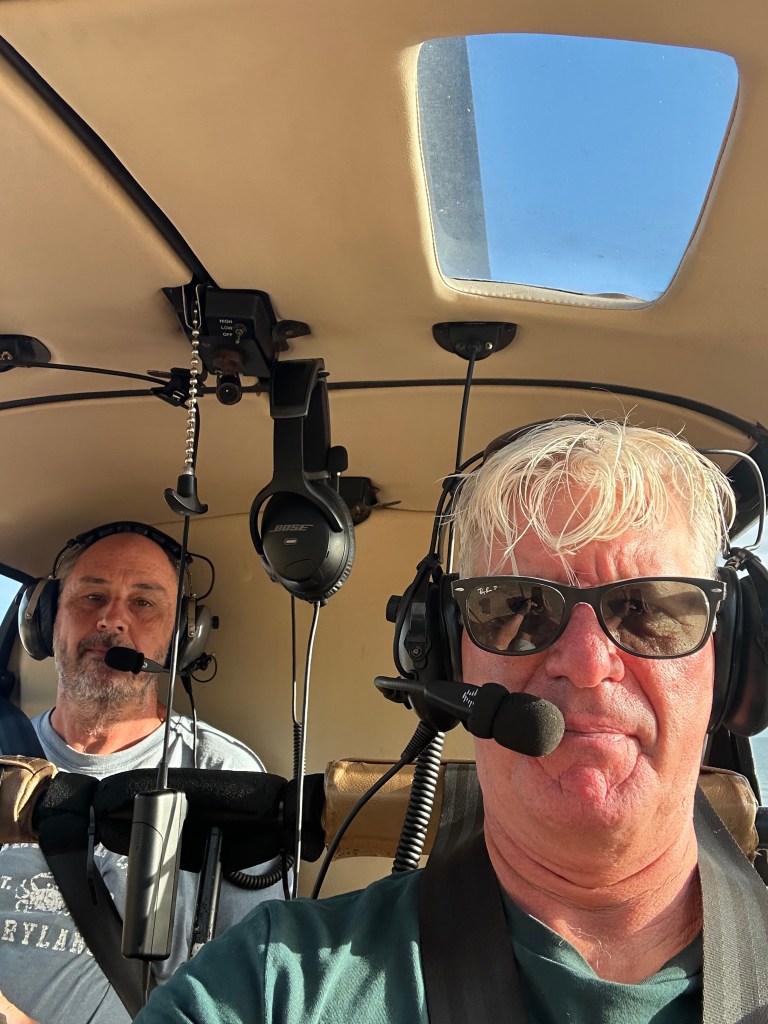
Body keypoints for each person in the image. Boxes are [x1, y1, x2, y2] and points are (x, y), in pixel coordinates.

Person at [132, 418, 767, 1024]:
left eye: (648, 608)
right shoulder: (273, 985)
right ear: (447, 656)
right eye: (519, 606)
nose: (586, 662)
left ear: (729, 660)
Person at [0, 525, 284, 1024]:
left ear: (180, 639)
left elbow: (251, 990)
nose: (111, 619)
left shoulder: (222, 774)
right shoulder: (5, 753)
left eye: (144, 603)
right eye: (91, 596)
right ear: (46, 622)